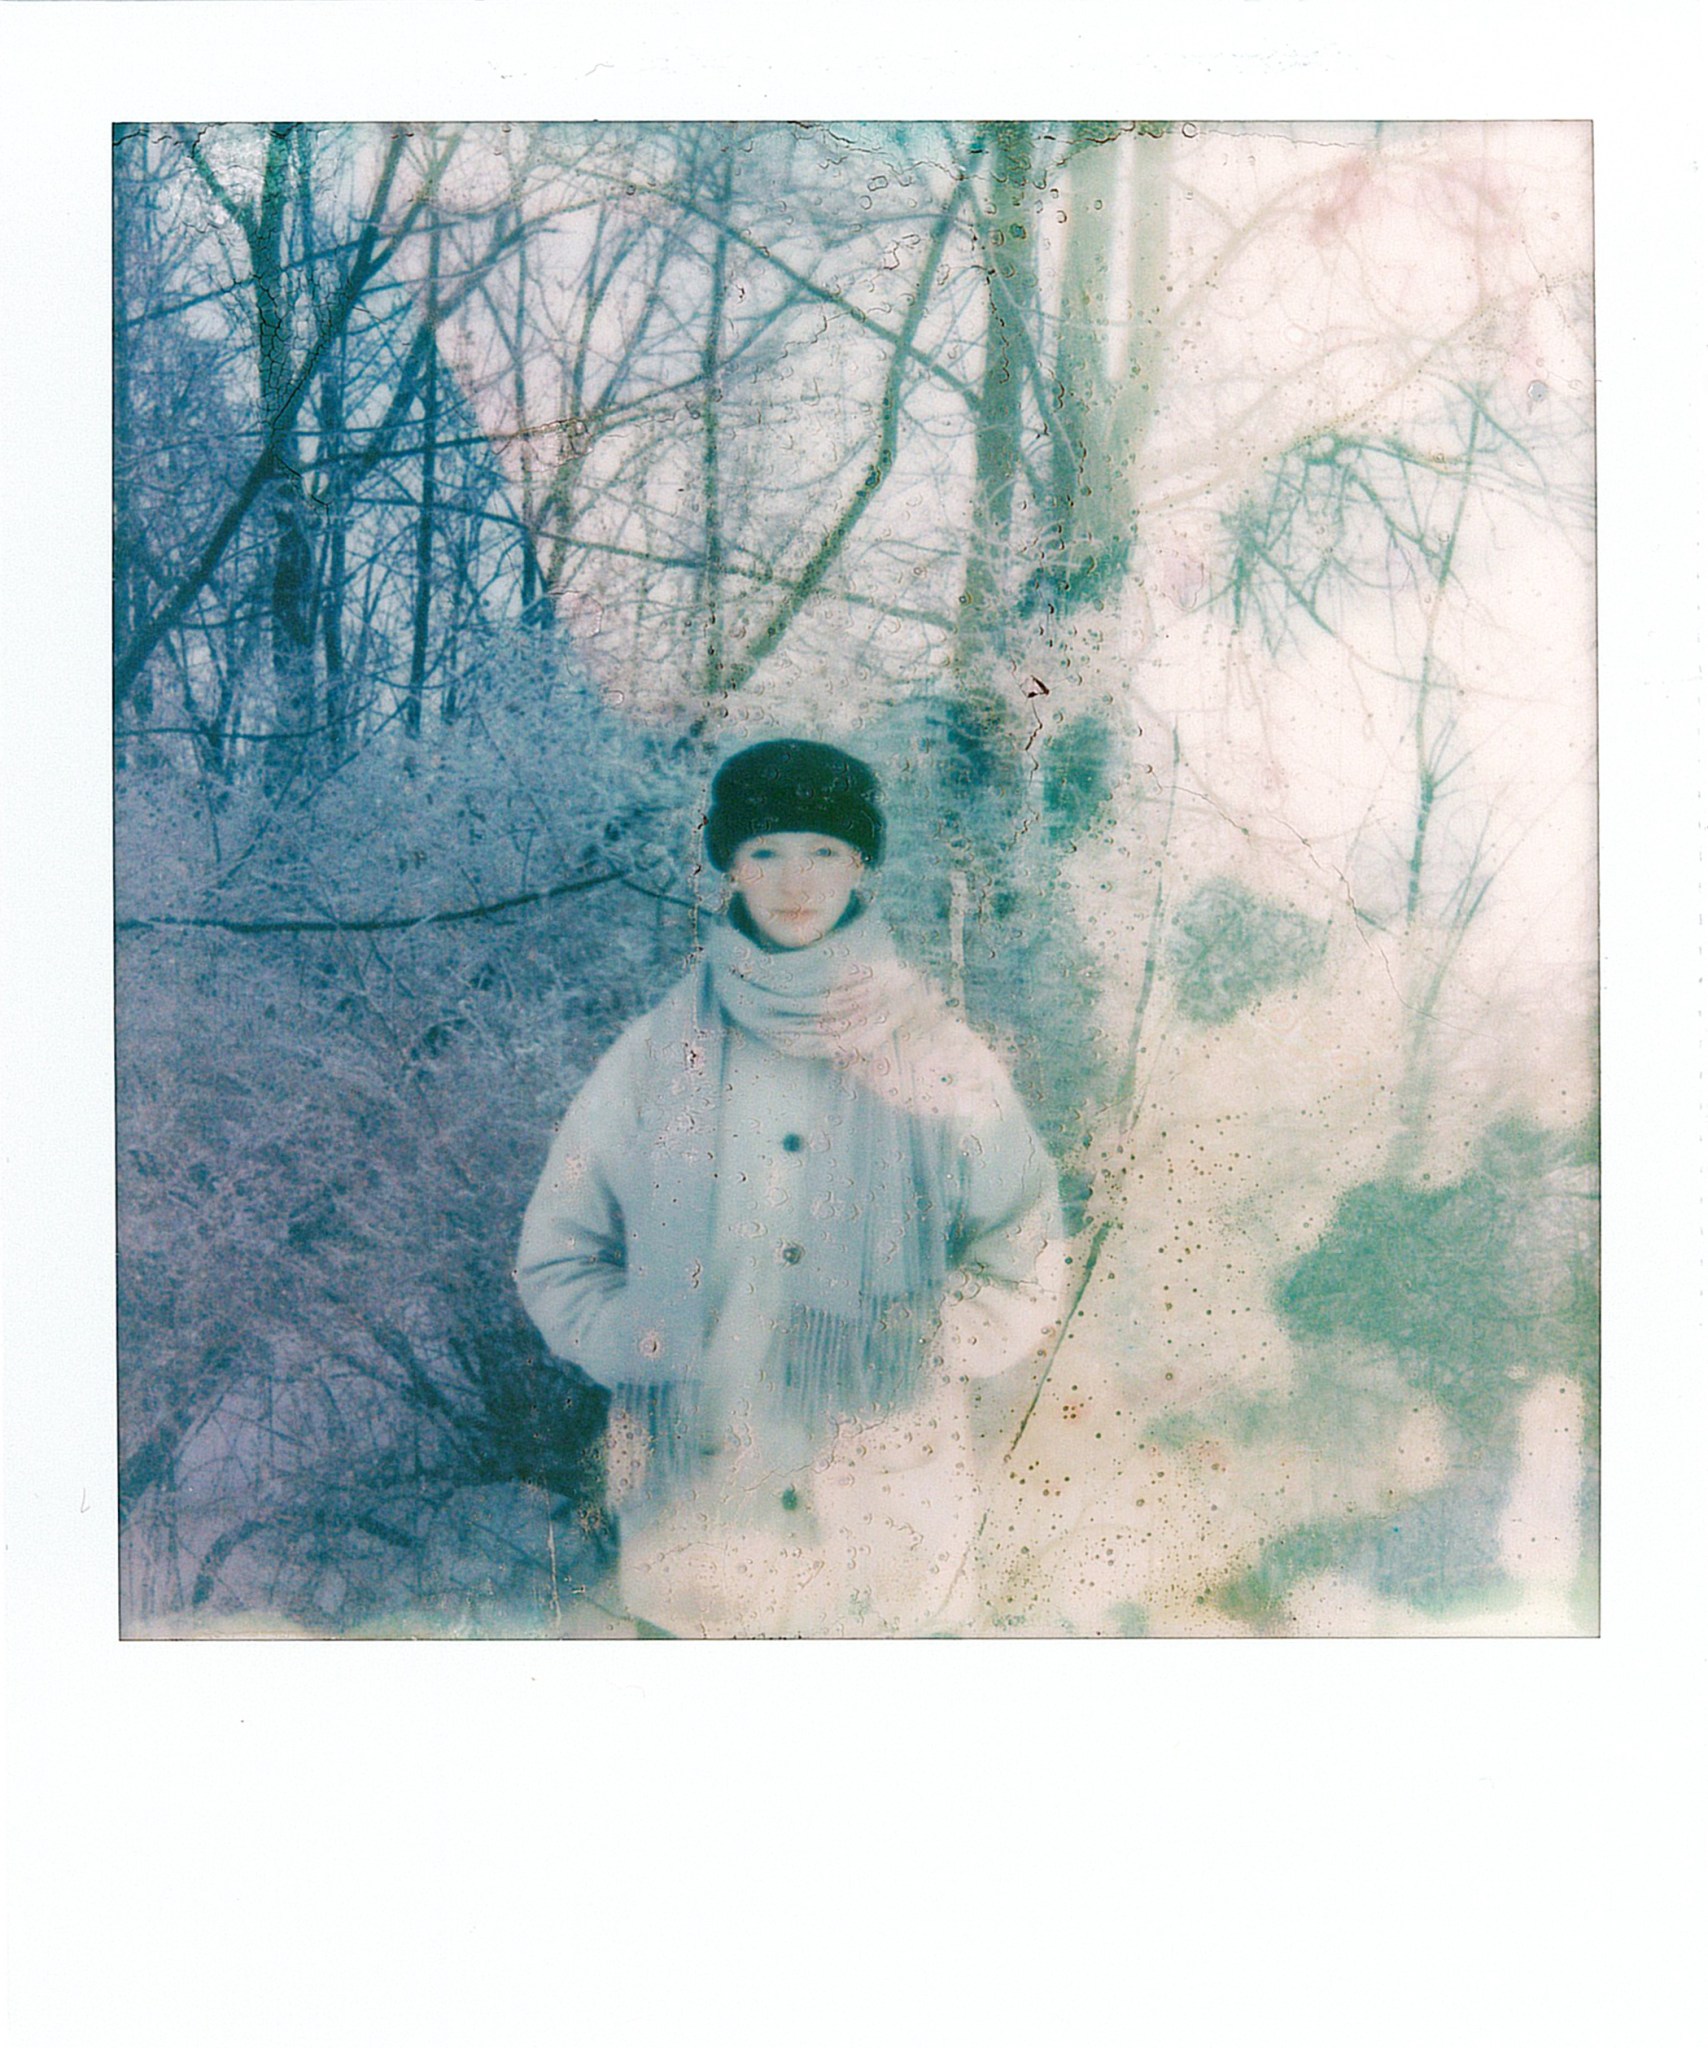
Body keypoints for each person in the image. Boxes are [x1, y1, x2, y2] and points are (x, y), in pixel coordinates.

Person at [516, 738, 1066, 1636]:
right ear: (729, 866)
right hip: (698, 1538)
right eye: (765, 851)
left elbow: (1026, 1246)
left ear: (860, 865)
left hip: (887, 1543)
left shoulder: (938, 1054)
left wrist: (924, 1342)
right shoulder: (656, 1056)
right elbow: (559, 1252)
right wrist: (646, 1339)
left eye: (824, 850)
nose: (795, 881)